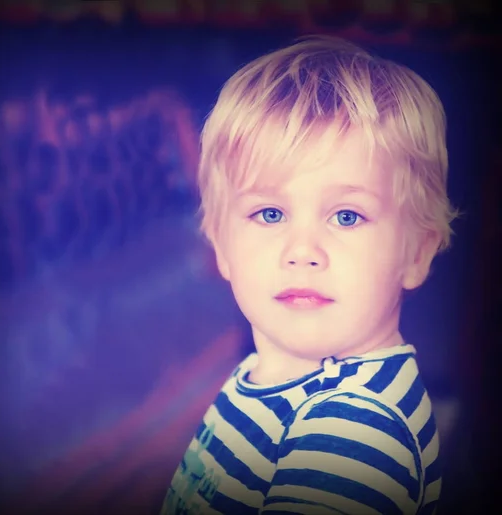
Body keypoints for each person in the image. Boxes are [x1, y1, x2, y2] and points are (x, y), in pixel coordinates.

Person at [160, 35, 459, 515]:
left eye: (346, 216)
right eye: (271, 214)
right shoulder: (264, 377)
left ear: (416, 252)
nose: (302, 252)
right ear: (221, 243)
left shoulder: (353, 426)